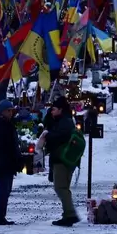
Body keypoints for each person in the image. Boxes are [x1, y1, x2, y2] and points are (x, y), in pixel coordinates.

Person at [43, 96, 79, 226]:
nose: (52, 111)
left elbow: (59, 136)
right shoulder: (61, 120)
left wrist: (48, 136)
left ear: (60, 109)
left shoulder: (65, 122)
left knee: (61, 187)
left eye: (54, 109)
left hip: (62, 160)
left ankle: (70, 214)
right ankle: (68, 214)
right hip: (62, 159)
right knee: (63, 187)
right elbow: (48, 124)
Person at [0, 99, 22, 226]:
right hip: (3, 162)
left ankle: (1, 216)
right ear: (2, 112)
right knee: (4, 190)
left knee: (6, 190)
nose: (11, 113)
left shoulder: (6, 124)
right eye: (8, 110)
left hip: (7, 162)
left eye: (11, 110)